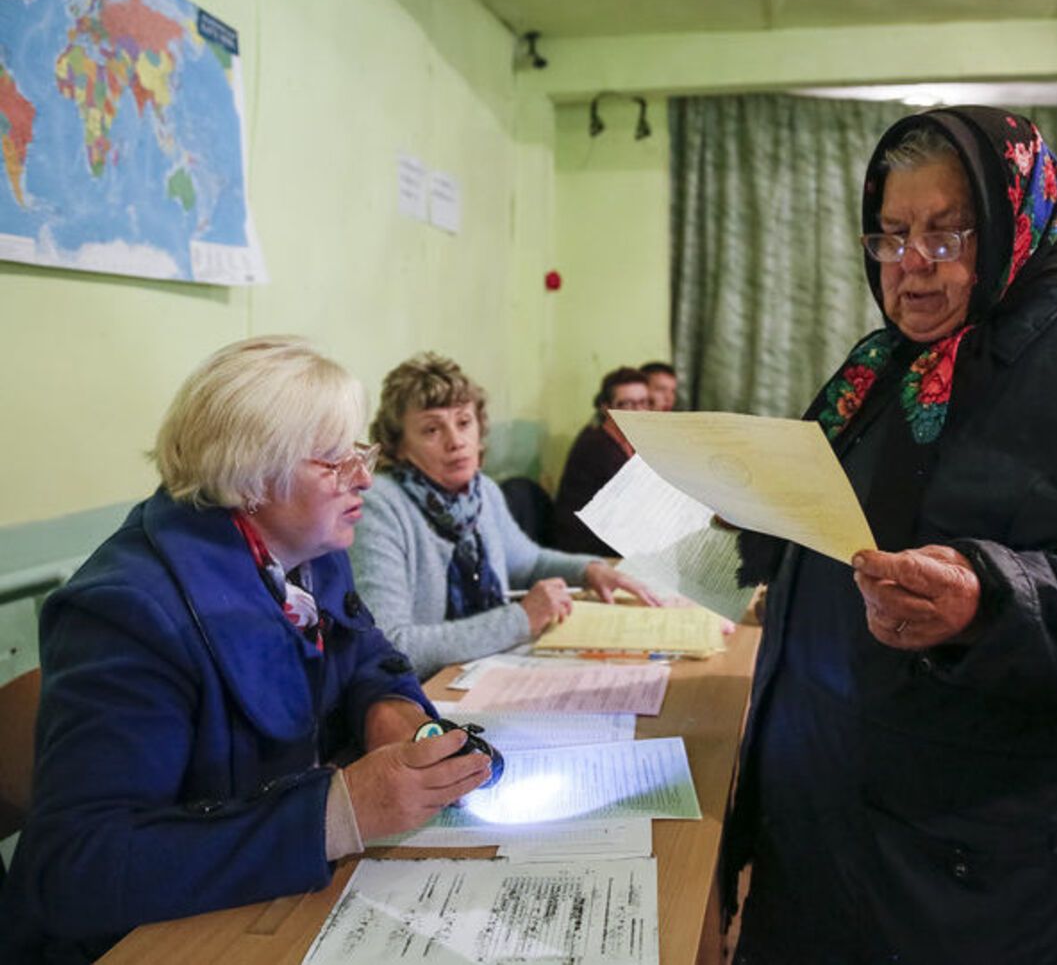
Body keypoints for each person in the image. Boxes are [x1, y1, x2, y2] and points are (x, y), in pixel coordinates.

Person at [722, 107, 1057, 964]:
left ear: (1011, 221)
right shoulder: (889, 363)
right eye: (890, 236)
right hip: (829, 821)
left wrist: (990, 601)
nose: (911, 268)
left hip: (968, 865)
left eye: (944, 234)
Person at [0, 337, 492, 965]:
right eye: (336, 461)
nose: (365, 476)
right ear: (256, 476)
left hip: (263, 908)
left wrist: (390, 710)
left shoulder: (309, 547)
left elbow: (365, 654)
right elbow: (78, 869)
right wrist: (339, 814)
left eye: (359, 453)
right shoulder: (127, 610)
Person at [349, 353, 655, 680]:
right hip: (420, 695)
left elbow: (529, 563)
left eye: (464, 422)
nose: (456, 441)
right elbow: (391, 646)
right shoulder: (379, 506)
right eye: (431, 430)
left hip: (482, 672)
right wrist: (519, 620)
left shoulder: (481, 490)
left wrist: (590, 570)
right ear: (398, 446)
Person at [552, 366, 650, 555]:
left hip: (613, 539)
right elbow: (633, 507)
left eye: (644, 403)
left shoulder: (631, 440)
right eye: (627, 404)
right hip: (589, 550)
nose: (638, 411)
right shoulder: (596, 446)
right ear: (606, 407)